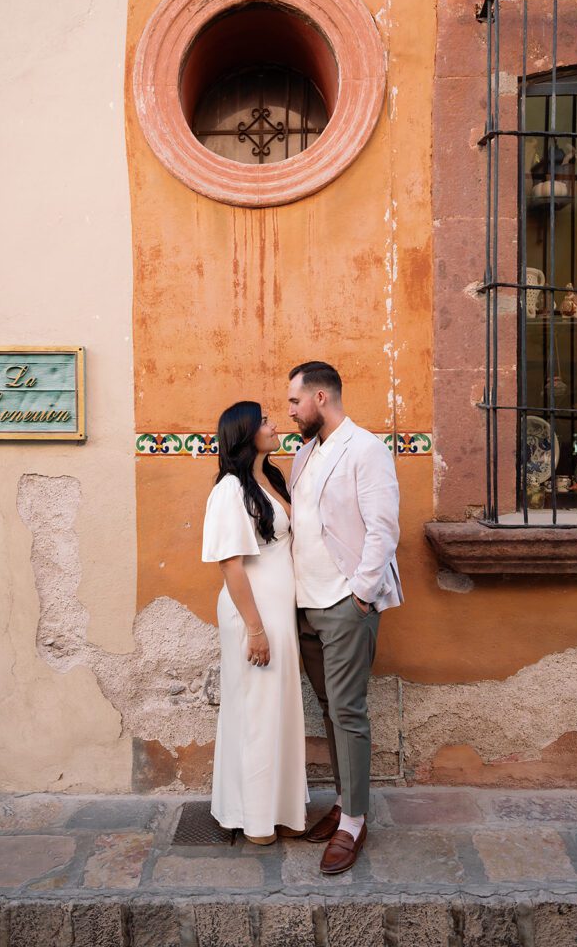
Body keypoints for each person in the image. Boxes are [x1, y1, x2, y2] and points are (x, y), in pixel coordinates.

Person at [288, 362, 402, 874]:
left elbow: (382, 529)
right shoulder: (305, 453)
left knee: (348, 711)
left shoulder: (366, 450)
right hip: (306, 606)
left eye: (295, 402)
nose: (291, 411)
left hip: (344, 603)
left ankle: (354, 819)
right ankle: (343, 799)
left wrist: (360, 595)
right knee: (329, 707)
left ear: (320, 397)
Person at [201, 401, 308, 844]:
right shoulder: (230, 490)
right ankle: (254, 817)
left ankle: (276, 807)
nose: (274, 424)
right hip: (254, 613)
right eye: (265, 421)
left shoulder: (271, 478)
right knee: (258, 712)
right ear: (245, 434)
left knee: (276, 709)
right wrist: (256, 629)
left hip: (277, 610)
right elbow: (230, 564)